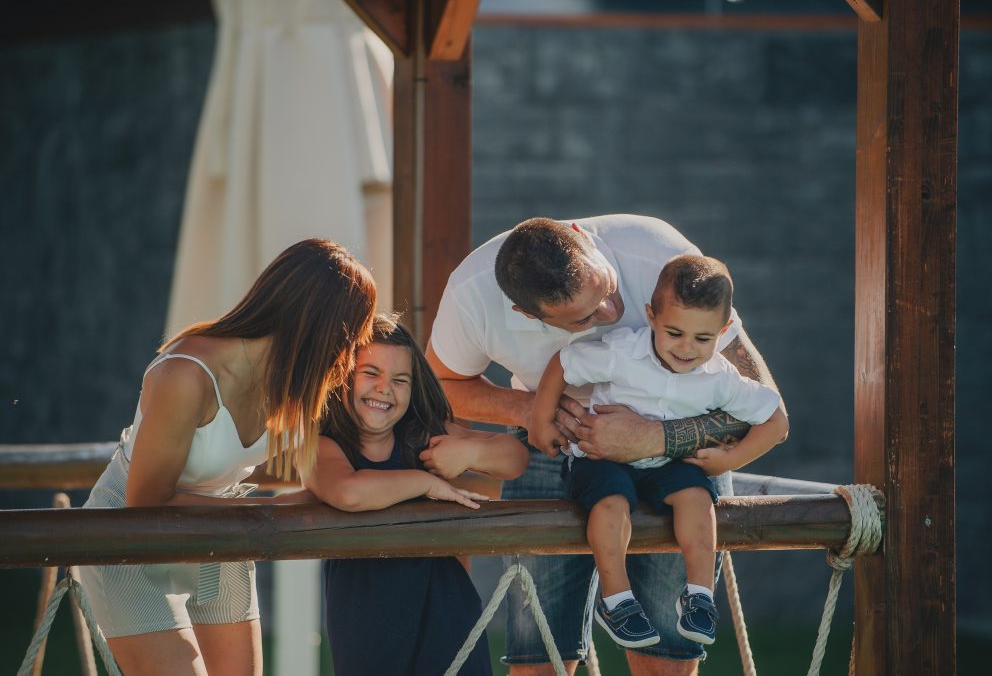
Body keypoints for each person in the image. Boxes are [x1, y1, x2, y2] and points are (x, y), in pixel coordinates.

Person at [426, 214, 784, 675]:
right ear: (528, 315)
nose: (611, 314)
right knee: (540, 660)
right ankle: (614, 605)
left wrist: (654, 438)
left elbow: (759, 399)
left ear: (580, 237)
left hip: (678, 448)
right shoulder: (470, 295)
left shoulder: (662, 256)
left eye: (608, 289)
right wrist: (533, 410)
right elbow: (440, 383)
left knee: (666, 663)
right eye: (584, 318)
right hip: (552, 444)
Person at [77, 238, 378, 676]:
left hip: (221, 530)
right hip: (128, 536)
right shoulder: (187, 375)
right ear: (323, 328)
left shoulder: (294, 383)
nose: (351, 359)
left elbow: (331, 462)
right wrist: (270, 509)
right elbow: (144, 504)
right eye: (354, 338)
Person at [528, 254, 788, 649]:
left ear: (725, 329)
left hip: (666, 463)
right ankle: (617, 601)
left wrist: (732, 460)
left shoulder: (721, 378)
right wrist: (541, 421)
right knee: (611, 503)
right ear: (651, 316)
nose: (686, 348)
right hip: (603, 458)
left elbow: (776, 423)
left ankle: (699, 596)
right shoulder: (621, 352)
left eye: (703, 339)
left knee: (699, 497)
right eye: (674, 332)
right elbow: (563, 364)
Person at [306, 314, 529, 676]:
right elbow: (348, 492)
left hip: (446, 611)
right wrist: (426, 484)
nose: (384, 388)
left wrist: (469, 453)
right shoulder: (325, 447)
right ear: (343, 378)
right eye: (370, 373)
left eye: (400, 379)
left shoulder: (423, 437)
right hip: (365, 621)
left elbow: (515, 458)